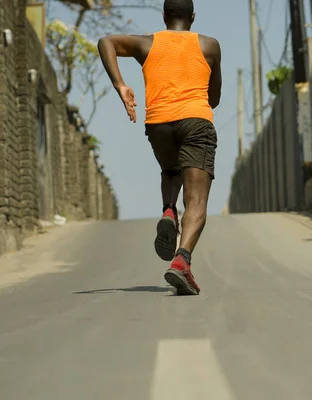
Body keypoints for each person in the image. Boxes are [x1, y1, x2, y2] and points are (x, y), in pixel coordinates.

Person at [98, 0, 222, 295]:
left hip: (158, 123)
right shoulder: (209, 45)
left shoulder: (147, 43)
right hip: (195, 121)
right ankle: (182, 262)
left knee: (170, 169)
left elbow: (106, 42)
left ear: (164, 16)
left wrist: (121, 85)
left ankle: (168, 210)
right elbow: (213, 97)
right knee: (197, 202)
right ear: (192, 17)